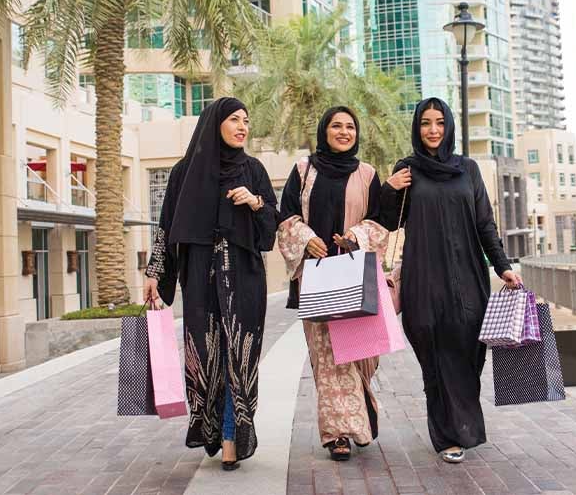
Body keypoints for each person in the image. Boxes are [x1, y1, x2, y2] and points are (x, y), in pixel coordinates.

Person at [380, 97, 522, 464]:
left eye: (439, 122)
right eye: (425, 122)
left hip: (469, 279)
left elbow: (485, 224)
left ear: (449, 127)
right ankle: (448, 436)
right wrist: (390, 188)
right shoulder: (408, 169)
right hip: (423, 280)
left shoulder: (468, 170)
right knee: (435, 358)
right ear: (416, 126)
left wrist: (503, 266)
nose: (432, 130)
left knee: (467, 356)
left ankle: (462, 424)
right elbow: (387, 223)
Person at [143, 97, 278, 471]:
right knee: (205, 358)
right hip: (200, 280)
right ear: (214, 123)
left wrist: (254, 203)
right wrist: (155, 272)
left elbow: (272, 229)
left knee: (239, 357)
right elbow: (167, 228)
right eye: (234, 119)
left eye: (246, 121)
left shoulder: (253, 170)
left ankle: (233, 437)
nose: (242, 127)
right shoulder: (184, 173)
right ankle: (211, 428)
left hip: (245, 280)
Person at [277, 106, 389, 461]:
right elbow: (286, 219)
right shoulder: (303, 170)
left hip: (357, 274)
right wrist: (306, 237)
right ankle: (338, 433)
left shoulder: (369, 174)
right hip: (317, 277)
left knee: (362, 355)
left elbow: (381, 221)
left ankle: (362, 414)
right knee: (327, 359)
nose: (344, 132)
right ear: (324, 130)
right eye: (337, 126)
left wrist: (356, 235)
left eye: (350, 126)